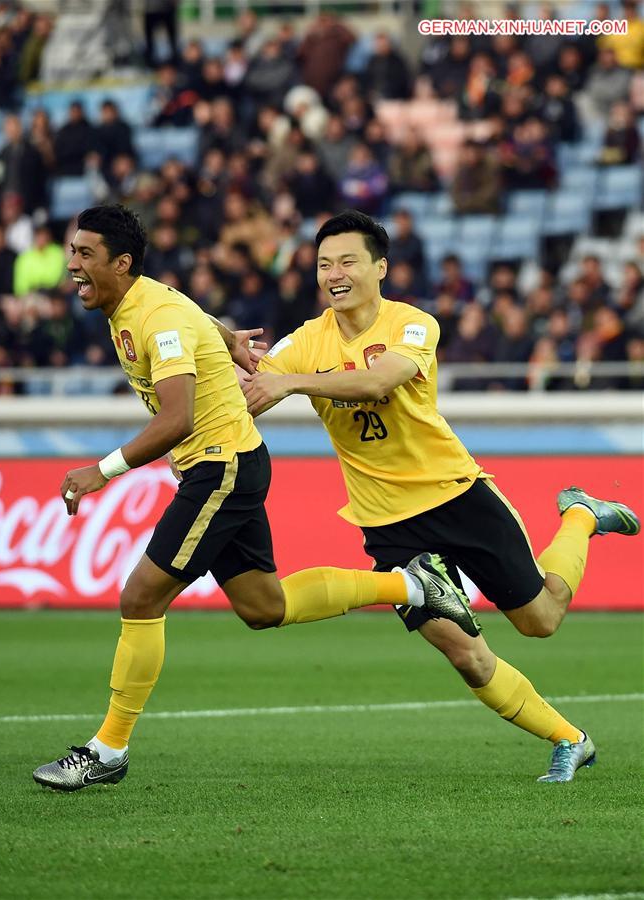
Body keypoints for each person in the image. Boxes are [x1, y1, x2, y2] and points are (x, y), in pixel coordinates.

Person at [32, 205, 476, 792]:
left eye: (85, 255)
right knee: (263, 607)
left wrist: (103, 470)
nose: (73, 267)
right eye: (72, 253)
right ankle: (413, 584)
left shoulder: (155, 319)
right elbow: (190, 311)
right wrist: (227, 337)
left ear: (122, 263)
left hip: (220, 469)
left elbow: (176, 418)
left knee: (141, 596)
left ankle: (107, 749)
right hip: (227, 466)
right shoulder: (148, 301)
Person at [242, 210, 640, 783]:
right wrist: (216, 361)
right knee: (463, 652)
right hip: (388, 524)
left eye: (347, 260)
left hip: (457, 497)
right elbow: (254, 386)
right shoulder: (306, 340)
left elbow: (381, 380)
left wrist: (290, 382)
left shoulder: (413, 325)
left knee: (540, 620)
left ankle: (580, 515)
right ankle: (569, 739)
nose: (334, 273)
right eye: (324, 263)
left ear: (380, 267)